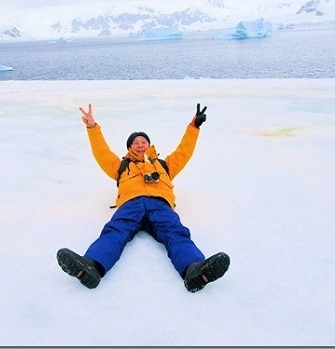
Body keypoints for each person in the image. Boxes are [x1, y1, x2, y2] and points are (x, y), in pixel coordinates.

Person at [56, 103, 230, 293]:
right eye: (135, 142)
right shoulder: (121, 167)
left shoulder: (164, 166)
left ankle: (195, 270)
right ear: (130, 147)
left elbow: (184, 151)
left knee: (176, 232)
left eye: (143, 141)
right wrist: (92, 127)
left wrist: (194, 127)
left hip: (160, 204)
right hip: (131, 204)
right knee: (114, 231)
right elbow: (102, 153)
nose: (140, 144)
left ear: (149, 145)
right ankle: (92, 266)